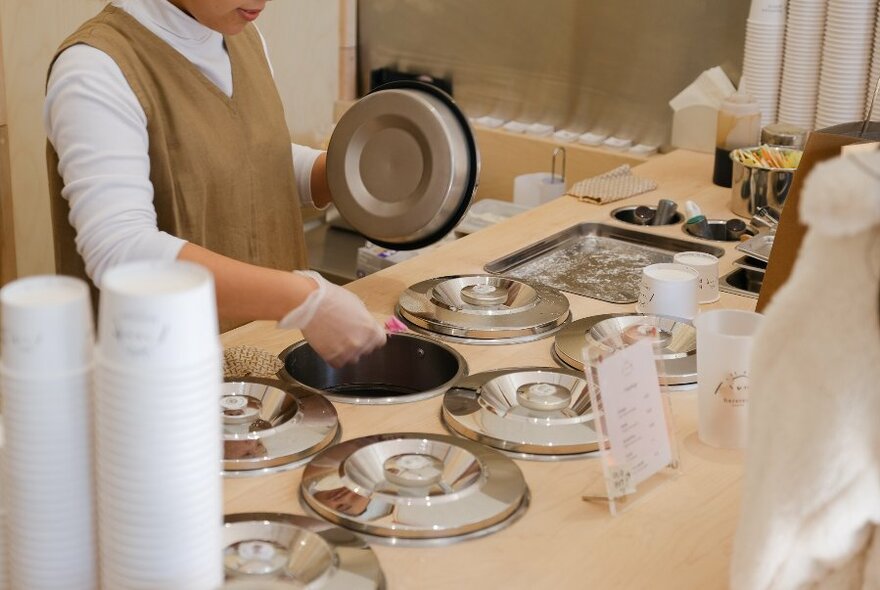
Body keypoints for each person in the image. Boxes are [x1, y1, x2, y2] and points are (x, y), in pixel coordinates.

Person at [44, 0, 385, 367]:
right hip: (163, 381)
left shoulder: (241, 36)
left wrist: (348, 173)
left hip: (261, 364)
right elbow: (121, 250)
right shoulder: (95, 68)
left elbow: (249, 159)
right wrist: (305, 299)